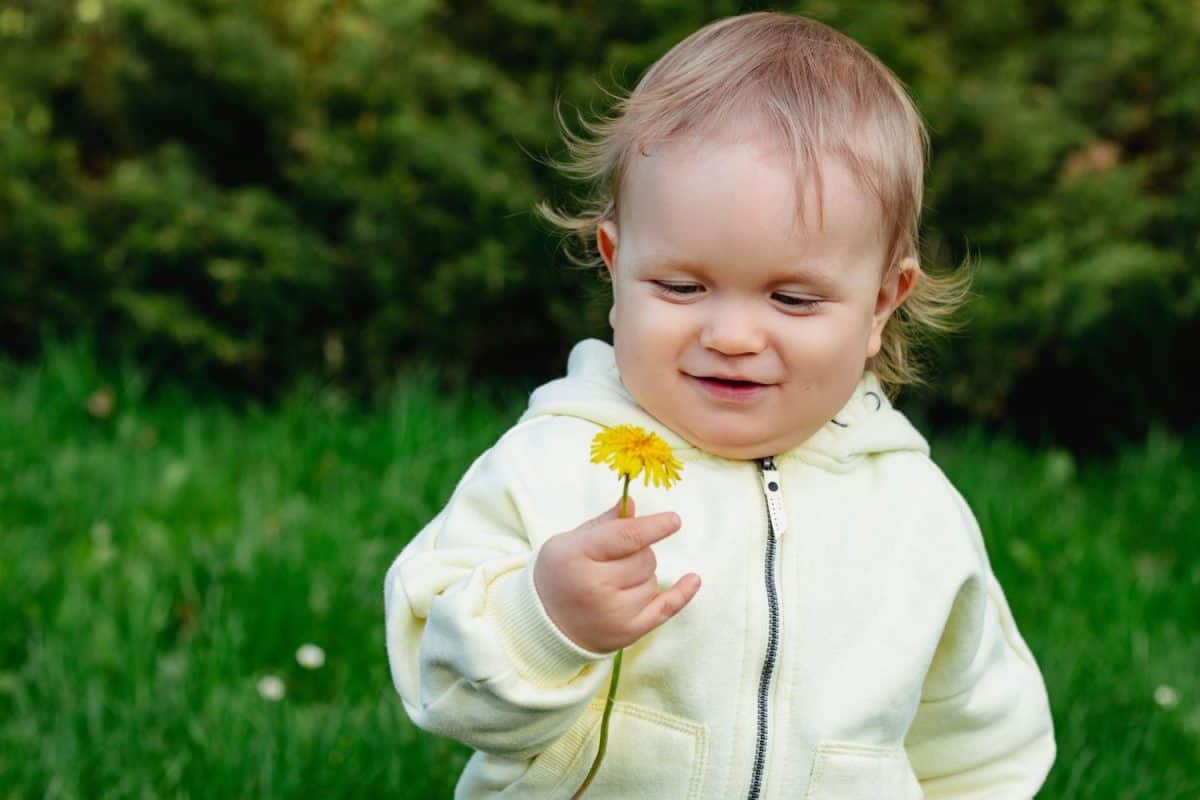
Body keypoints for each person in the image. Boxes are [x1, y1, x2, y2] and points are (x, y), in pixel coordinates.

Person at [384, 12, 1055, 799]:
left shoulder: (917, 513)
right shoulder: (552, 464)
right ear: (614, 264)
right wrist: (545, 620)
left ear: (880, 303)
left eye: (794, 298)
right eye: (680, 286)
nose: (732, 334)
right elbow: (442, 688)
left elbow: (980, 746)